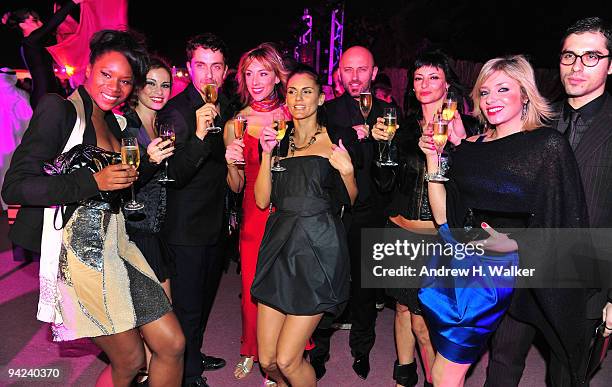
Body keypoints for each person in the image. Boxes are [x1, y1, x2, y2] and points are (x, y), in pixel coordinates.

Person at [1, 29, 185, 387]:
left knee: (172, 344)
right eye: (106, 74)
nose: (114, 87)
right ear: (88, 69)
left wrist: (145, 165)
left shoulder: (116, 122)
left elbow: (116, 186)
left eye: (125, 81)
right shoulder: (60, 110)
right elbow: (16, 185)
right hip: (79, 256)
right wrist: (92, 183)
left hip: (119, 245)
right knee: (130, 360)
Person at [418, 55, 587, 386]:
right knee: (445, 372)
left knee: (501, 364)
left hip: (519, 272)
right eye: (484, 92)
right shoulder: (469, 147)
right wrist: (432, 158)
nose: (491, 99)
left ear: (525, 94)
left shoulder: (547, 145)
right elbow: (445, 218)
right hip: (471, 271)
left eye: (503, 89)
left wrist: (516, 244)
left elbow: (563, 221)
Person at [485, 17, 612, 387]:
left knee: (567, 377)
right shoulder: (537, 119)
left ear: (610, 64)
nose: (576, 66)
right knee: (501, 364)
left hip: (586, 274)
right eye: (569, 55)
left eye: (591, 56)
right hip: (524, 265)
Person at [372, 49, 481, 387]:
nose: (424, 84)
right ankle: (404, 374)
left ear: (448, 83)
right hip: (400, 231)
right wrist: (382, 148)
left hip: (438, 238)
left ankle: (440, 381)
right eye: (418, 78)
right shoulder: (400, 127)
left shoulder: (470, 126)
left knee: (425, 320)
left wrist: (460, 145)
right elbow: (385, 184)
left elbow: (476, 186)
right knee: (403, 309)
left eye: (433, 77)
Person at [251, 64, 357, 387]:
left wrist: (349, 173)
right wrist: (267, 155)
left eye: (307, 91)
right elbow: (261, 201)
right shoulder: (277, 142)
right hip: (280, 249)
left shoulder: (338, 139)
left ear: (321, 98)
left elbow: (349, 200)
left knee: (287, 359)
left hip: (318, 252)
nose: (298, 99)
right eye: (293, 91)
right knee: (268, 360)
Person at [310, 45, 395, 381]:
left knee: (364, 290)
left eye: (363, 70)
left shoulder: (390, 114)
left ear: (374, 73)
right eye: (348, 70)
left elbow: (390, 177)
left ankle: (362, 350)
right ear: (339, 73)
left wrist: (376, 144)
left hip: (372, 213)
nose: (355, 77)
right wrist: (355, 139)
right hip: (334, 212)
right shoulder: (327, 111)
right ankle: (317, 353)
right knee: (326, 285)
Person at [156, 33, 234, 387]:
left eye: (216, 66)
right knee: (186, 307)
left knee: (202, 302)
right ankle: (188, 375)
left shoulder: (226, 106)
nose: (209, 74)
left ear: (226, 70)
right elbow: (172, 176)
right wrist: (201, 137)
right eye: (201, 66)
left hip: (215, 225)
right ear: (189, 69)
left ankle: (193, 353)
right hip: (185, 229)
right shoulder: (176, 112)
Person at [223, 42, 290, 381]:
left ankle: (280, 355)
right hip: (253, 217)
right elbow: (235, 186)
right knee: (252, 287)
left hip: (288, 215)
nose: (255, 81)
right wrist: (231, 163)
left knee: (285, 287)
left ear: (278, 76)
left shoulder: (294, 116)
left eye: (264, 73)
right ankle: (251, 349)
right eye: (249, 74)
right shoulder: (235, 124)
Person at [121, 56, 176, 384]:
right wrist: (150, 161)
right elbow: (122, 183)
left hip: (157, 231)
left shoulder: (163, 124)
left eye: (165, 84)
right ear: (137, 87)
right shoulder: (124, 126)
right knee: (150, 330)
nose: (158, 90)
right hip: (134, 233)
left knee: (161, 323)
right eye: (151, 83)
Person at [2, 0, 84, 108]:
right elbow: (53, 23)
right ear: (22, 25)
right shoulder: (30, 41)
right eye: (35, 20)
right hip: (44, 99)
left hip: (49, 97)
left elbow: (55, 28)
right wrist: (73, 2)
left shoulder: (33, 43)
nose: (41, 23)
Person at [0, 67, 32, 211]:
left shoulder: (22, 95)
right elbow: (28, 119)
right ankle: (9, 203)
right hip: (16, 141)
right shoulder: (21, 94)